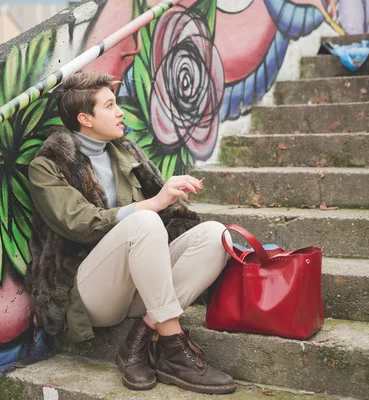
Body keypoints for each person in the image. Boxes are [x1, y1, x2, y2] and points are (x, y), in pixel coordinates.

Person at [26, 71, 236, 395]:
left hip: (142, 286)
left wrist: (168, 195)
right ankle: (173, 348)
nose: (120, 111)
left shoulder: (125, 152)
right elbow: (80, 223)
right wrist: (152, 203)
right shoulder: (47, 166)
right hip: (90, 293)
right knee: (144, 220)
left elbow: (164, 214)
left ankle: (142, 333)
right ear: (86, 118)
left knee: (215, 235)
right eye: (109, 105)